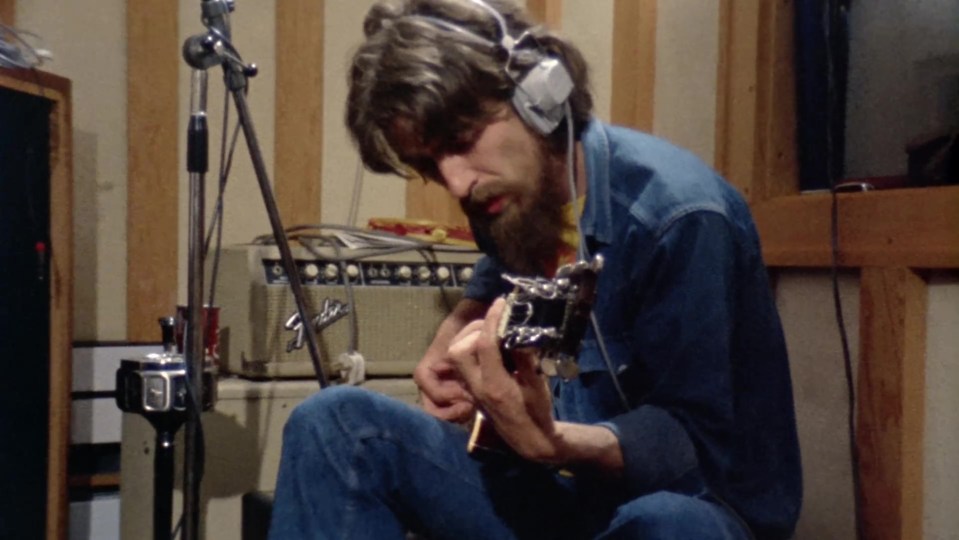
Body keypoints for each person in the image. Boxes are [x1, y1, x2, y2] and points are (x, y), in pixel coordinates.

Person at [268, 0, 802, 538]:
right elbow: (505, 262)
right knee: (334, 425)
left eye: (461, 141)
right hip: (565, 493)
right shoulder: (507, 196)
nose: (456, 184)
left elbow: (696, 447)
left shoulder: (679, 217)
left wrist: (552, 442)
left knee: (666, 523)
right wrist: (462, 320)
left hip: (695, 504)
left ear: (539, 97)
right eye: (430, 164)